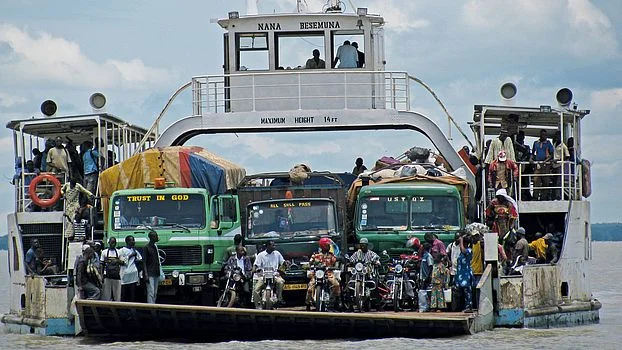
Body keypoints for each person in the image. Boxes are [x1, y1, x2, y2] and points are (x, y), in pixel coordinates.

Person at [306, 237, 340, 310]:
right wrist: (309, 265)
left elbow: (335, 262)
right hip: (317, 274)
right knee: (310, 288)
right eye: (327, 245)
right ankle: (308, 303)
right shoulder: (316, 255)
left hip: (328, 273)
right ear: (324, 246)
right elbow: (310, 262)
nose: (329, 247)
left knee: (336, 284)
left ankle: (335, 300)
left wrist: (339, 260)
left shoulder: (331, 255)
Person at [252, 240, 285, 308]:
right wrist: (254, 270)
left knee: (281, 282)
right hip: (263, 276)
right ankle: (258, 304)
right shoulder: (260, 255)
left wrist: (284, 266)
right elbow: (255, 265)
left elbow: (283, 262)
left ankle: (279, 299)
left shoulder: (277, 253)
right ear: (268, 246)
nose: (274, 246)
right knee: (256, 289)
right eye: (273, 245)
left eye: (274, 245)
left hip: (274, 275)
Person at [532, 129, 555, 200]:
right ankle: (535, 197)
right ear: (540, 135)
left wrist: (546, 161)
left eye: (545, 135)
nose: (544, 136)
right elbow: (533, 153)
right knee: (536, 181)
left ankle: (543, 197)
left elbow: (552, 154)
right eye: (543, 135)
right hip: (538, 164)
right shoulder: (536, 143)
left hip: (546, 165)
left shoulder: (548, 143)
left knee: (545, 181)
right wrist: (531, 159)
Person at [120, 235, 142, 302]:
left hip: (133, 275)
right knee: (124, 294)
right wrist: (131, 255)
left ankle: (132, 310)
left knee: (133, 294)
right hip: (124, 274)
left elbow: (140, 259)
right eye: (132, 240)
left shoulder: (134, 250)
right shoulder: (122, 250)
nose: (133, 242)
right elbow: (122, 262)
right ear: (127, 241)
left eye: (134, 240)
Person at [142, 230, 162, 303]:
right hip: (150, 273)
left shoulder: (155, 247)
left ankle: (153, 305)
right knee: (151, 292)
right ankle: (151, 307)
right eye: (156, 236)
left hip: (156, 272)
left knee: (155, 292)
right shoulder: (146, 248)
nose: (157, 237)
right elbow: (144, 262)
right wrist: (146, 274)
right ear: (152, 237)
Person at [456, 234, 474, 312]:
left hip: (466, 274)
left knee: (467, 291)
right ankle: (465, 306)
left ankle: (469, 306)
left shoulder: (469, 250)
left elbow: (463, 250)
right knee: (462, 291)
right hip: (461, 274)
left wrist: (461, 241)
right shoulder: (461, 253)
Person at [551, 131, 570, 200]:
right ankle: (553, 196)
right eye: (556, 136)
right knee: (554, 180)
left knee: (559, 181)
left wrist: (559, 159)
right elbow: (553, 154)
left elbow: (567, 156)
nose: (557, 137)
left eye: (558, 136)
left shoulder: (563, 146)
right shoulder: (554, 144)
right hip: (554, 165)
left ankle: (558, 196)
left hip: (559, 165)